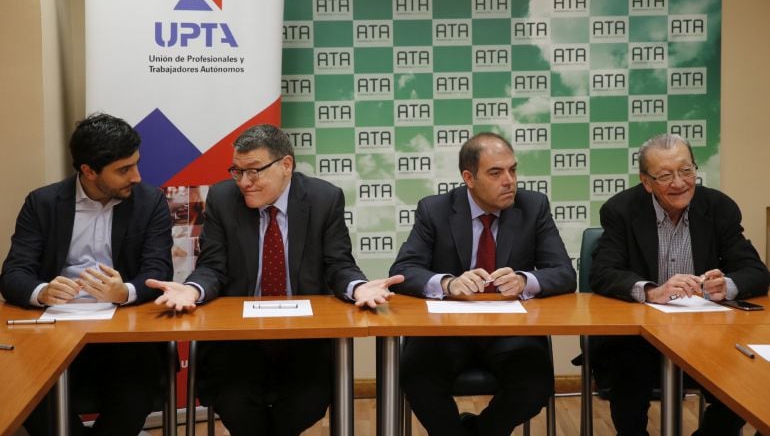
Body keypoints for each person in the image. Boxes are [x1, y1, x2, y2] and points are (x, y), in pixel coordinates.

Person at [147, 124, 403, 436]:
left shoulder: (323, 199)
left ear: (286, 165)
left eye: (253, 171)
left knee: (306, 404)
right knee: (235, 404)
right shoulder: (223, 198)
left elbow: (338, 265)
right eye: (237, 171)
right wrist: (192, 289)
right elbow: (213, 266)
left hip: (305, 338)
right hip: (240, 339)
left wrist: (358, 286)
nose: (244, 182)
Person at [388, 132, 576, 436]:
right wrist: (448, 284)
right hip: (446, 332)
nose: (509, 181)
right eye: (496, 172)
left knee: (534, 385)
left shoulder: (533, 206)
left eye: (513, 170)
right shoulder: (435, 210)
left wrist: (524, 280)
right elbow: (403, 271)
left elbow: (564, 273)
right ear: (469, 178)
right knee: (418, 378)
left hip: (511, 332)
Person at [0, 113, 173, 436]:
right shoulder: (43, 203)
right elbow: (13, 273)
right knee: (26, 387)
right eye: (124, 170)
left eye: (136, 164)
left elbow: (159, 269)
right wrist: (42, 291)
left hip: (123, 332)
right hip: (52, 332)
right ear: (89, 171)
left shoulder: (150, 202)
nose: (136, 177)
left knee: (138, 382)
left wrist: (125, 292)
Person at [590, 133, 770, 436]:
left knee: (745, 387)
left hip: (711, 337)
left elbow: (756, 271)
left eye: (686, 171)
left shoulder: (718, 208)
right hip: (641, 337)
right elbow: (602, 272)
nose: (679, 183)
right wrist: (651, 290)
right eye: (665, 175)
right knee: (626, 380)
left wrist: (728, 284)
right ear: (646, 182)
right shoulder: (621, 210)